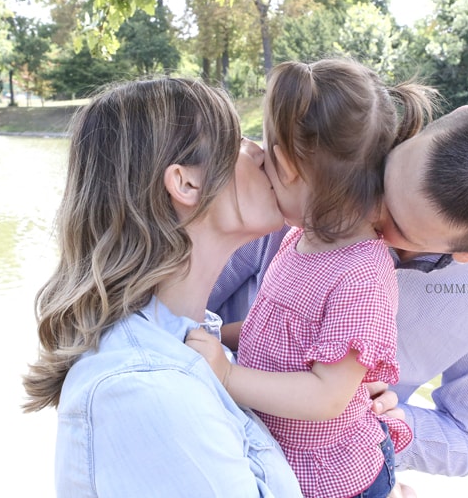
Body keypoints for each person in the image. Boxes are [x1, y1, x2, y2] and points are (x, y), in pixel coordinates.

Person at [208, 101, 468, 476]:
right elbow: (167, 313)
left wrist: (386, 426)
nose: (367, 205)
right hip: (211, 423)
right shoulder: (321, 178)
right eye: (384, 174)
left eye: (396, 222)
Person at [21, 77, 304, 497]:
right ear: (186, 183)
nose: (261, 152)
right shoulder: (148, 387)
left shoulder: (188, 343)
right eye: (237, 139)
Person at [186, 59, 436, 498]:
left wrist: (225, 375)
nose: (257, 158)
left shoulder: (362, 273)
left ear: (286, 165)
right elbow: (277, 330)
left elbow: (327, 396)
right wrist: (213, 337)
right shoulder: (300, 239)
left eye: (265, 150)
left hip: (334, 482)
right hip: (280, 457)